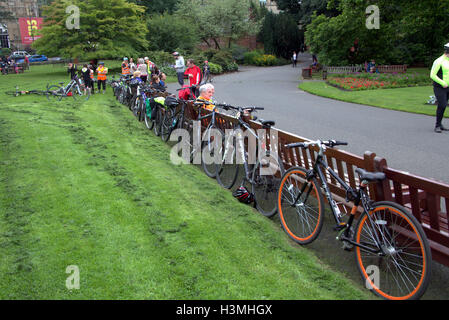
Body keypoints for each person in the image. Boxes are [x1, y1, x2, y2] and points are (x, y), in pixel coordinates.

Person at [430, 43, 449, 133]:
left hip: (448, 87)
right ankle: (437, 126)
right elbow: (432, 75)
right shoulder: (438, 61)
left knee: (444, 105)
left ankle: (440, 124)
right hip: (439, 87)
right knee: (442, 105)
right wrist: (442, 82)